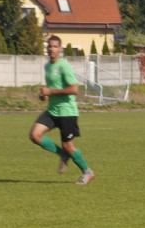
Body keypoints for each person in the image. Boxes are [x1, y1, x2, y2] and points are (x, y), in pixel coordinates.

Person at [28, 35, 95, 184]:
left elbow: (74, 89)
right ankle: (63, 154)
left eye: (55, 46)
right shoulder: (47, 66)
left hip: (67, 112)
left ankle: (88, 172)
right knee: (35, 135)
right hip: (52, 110)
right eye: (49, 46)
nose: (51, 49)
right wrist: (44, 95)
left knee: (68, 146)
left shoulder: (64, 66)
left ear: (60, 49)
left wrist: (51, 91)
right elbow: (51, 88)